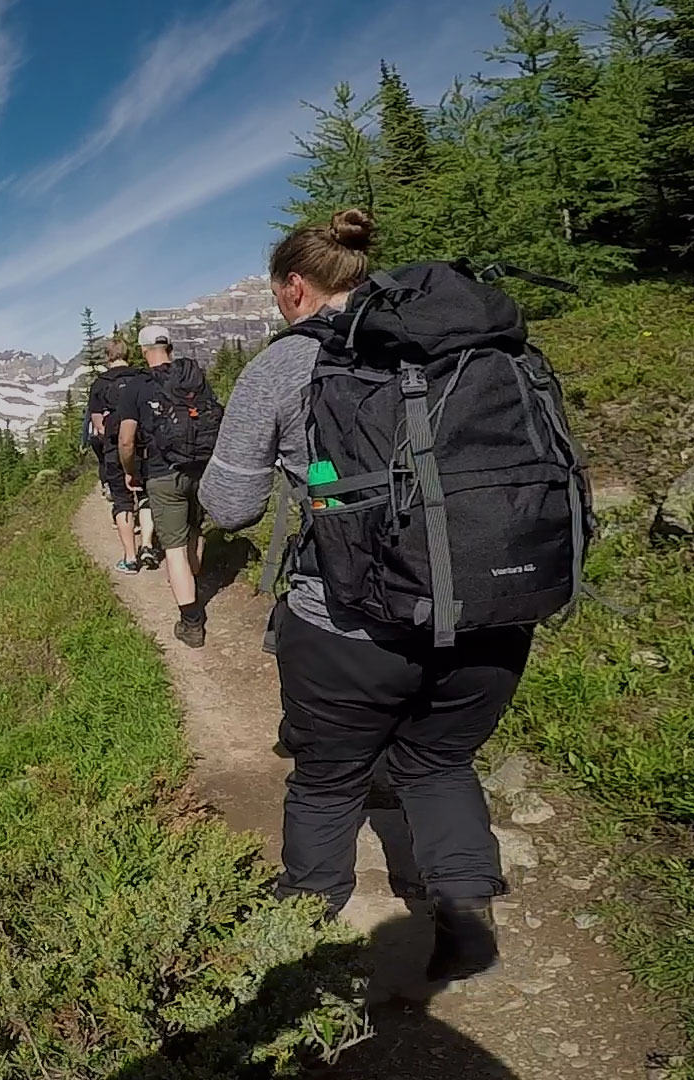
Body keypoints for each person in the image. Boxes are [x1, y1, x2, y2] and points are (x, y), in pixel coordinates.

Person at [198, 208, 528, 981]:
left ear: (293, 287)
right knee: (438, 762)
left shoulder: (284, 365)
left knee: (327, 777)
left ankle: (305, 928)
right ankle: (464, 915)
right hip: (492, 606)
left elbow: (228, 508)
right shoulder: (472, 341)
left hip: (346, 623)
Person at [119, 324, 213, 648]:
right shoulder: (192, 377)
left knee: (173, 549)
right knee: (193, 531)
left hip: (161, 475)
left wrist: (132, 473)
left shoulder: (137, 387)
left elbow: (127, 441)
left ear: (144, 350)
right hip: (200, 467)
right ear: (169, 346)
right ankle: (196, 577)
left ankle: (191, 622)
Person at [88, 338, 159, 573]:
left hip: (114, 448)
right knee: (146, 493)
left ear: (107, 356)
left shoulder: (100, 384)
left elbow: (98, 426)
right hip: (144, 445)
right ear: (128, 354)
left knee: (122, 500)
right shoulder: (142, 377)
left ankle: (130, 558)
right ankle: (148, 545)